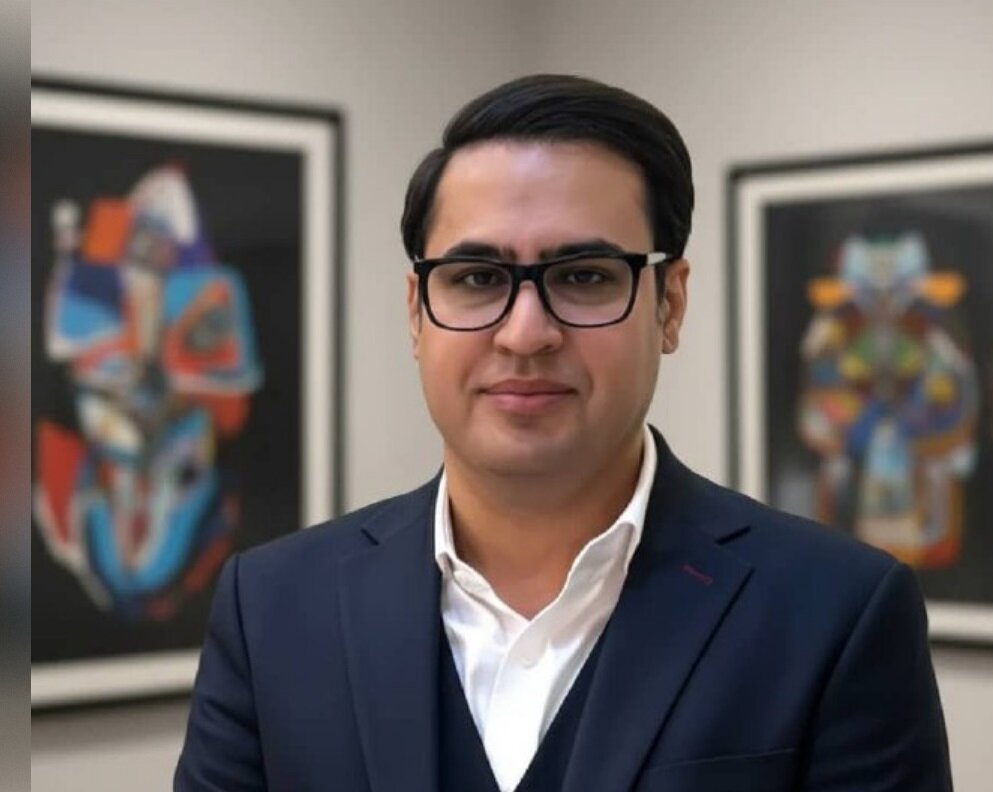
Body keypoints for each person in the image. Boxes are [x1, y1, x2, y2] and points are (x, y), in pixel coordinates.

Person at [175, 74, 953, 792]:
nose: (525, 333)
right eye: (477, 278)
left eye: (583, 277)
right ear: (416, 311)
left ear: (670, 305)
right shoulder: (272, 610)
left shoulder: (834, 614)